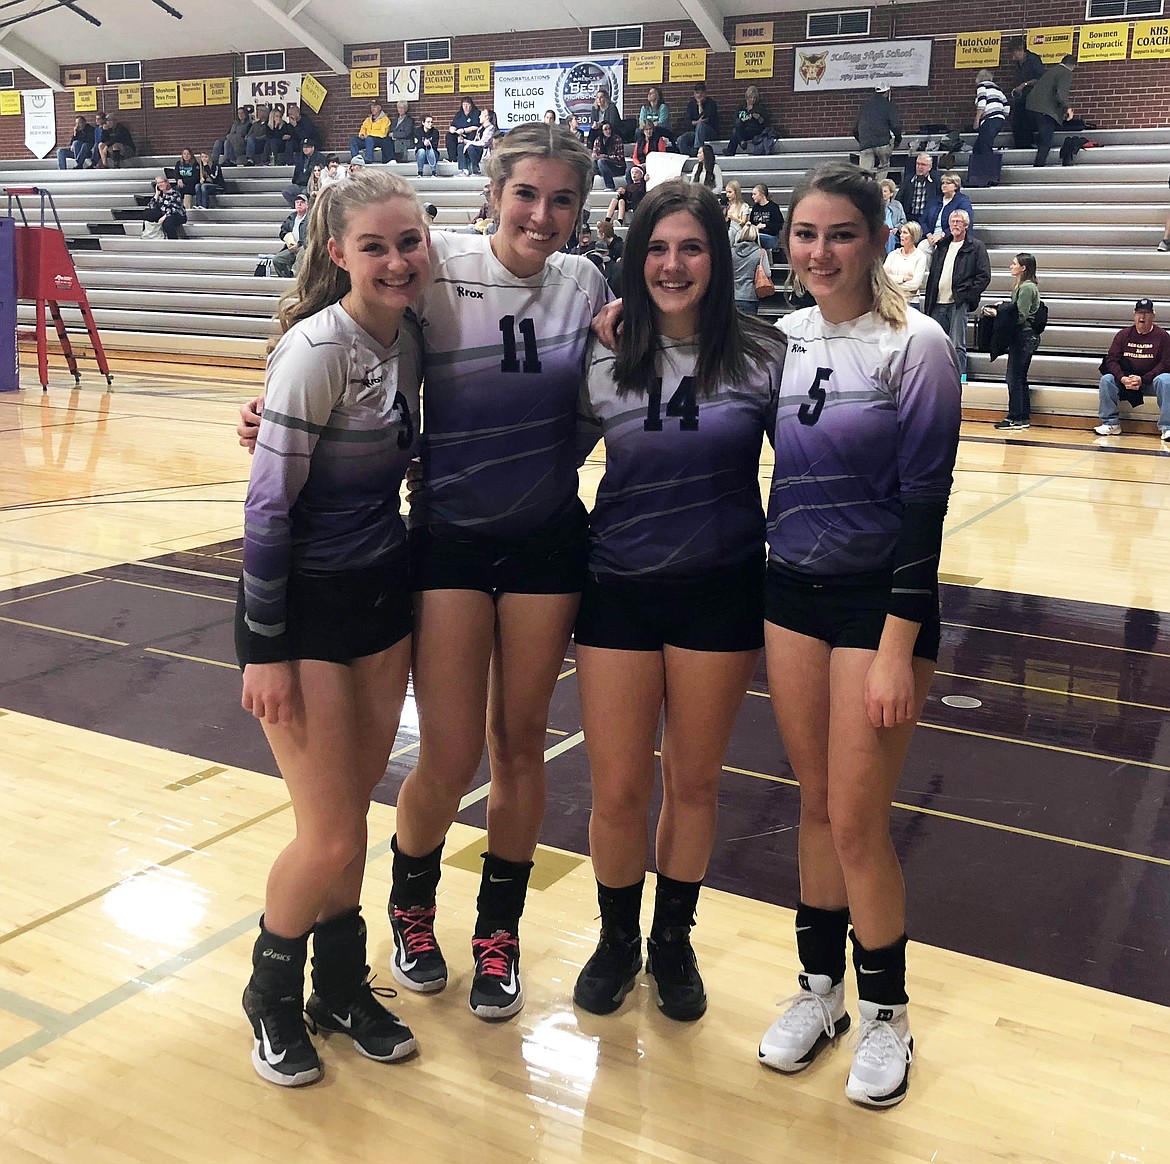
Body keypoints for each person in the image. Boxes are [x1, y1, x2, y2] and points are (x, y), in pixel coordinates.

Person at [240, 123, 611, 1021]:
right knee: (447, 752)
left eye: (563, 198)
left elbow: (600, 405)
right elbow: (343, 331)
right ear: (493, 193)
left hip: (545, 541)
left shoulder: (588, 283)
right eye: (527, 193)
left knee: (521, 745)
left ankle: (498, 934)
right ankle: (410, 912)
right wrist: (268, 409)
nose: (543, 213)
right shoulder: (433, 265)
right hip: (443, 543)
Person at [756, 160, 961, 1110]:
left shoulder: (915, 347)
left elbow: (926, 508)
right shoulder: (781, 340)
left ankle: (887, 1015)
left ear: (878, 239)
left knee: (859, 818)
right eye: (805, 234)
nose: (820, 251)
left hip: (879, 606)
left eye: (840, 233)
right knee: (815, 806)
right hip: (790, 592)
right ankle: (819, 993)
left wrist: (894, 646)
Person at [571, 181, 785, 1022]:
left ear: (717, 259)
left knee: (692, 783)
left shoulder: (765, 356)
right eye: (657, 249)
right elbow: (543, 442)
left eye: (690, 247)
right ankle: (617, 939)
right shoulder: (603, 353)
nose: (672, 264)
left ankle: (673, 941)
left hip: (721, 592)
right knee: (618, 790)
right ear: (636, 260)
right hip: (618, 588)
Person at [238, 169, 426, 1087]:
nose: (395, 260)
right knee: (328, 836)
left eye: (408, 241)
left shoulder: (415, 338)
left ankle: (340, 987)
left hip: (382, 604)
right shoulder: (315, 350)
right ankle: (269, 997)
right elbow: (266, 511)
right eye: (375, 246)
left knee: (354, 817)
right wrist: (262, 648)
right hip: (304, 615)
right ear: (337, 253)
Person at [923, 208, 990, 379]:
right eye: (952, 221)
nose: (955, 224)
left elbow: (984, 276)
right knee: (936, 344)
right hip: (937, 303)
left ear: (966, 225)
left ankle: (959, 380)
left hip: (958, 302)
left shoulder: (976, 247)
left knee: (957, 344)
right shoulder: (942, 246)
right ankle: (938, 379)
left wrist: (967, 296)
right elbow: (933, 275)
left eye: (958, 221)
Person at [1094, 298, 1170, 442]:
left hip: (1150, 382)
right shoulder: (1123, 335)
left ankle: (1168, 427)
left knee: (1166, 380)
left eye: (1147, 313)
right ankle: (1111, 423)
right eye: (1139, 313)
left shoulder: (1163, 336)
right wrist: (1122, 378)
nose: (1142, 317)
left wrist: (1143, 379)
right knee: (1107, 380)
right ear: (1134, 315)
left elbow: (1166, 363)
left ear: (1153, 315)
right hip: (1126, 380)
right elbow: (1111, 360)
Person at [983, 252, 1042, 430]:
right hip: (1025, 336)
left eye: (1014, 263)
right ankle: (1022, 416)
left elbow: (1021, 315)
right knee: (1020, 378)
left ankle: (1015, 417)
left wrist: (998, 313)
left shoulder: (1026, 288)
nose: (1011, 266)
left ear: (1023, 268)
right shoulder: (1023, 286)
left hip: (1024, 336)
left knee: (1014, 378)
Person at [1027, 55, 1076, 168]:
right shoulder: (1066, 72)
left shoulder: (1052, 71)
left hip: (1032, 107)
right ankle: (1038, 168)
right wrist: (1067, 108)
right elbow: (1061, 94)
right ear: (1073, 65)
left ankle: (1036, 143)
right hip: (1046, 110)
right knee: (1046, 141)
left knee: (1042, 135)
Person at [853, 85, 901, 174]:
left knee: (864, 173)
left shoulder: (864, 106)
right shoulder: (888, 105)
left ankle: (865, 187)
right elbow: (895, 126)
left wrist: (862, 141)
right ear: (887, 92)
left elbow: (855, 129)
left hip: (866, 144)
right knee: (883, 168)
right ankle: (880, 187)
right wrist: (898, 140)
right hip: (882, 143)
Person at [1008, 38, 1045, 149]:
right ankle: (1021, 144)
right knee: (1017, 120)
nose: (1013, 57)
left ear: (1020, 51)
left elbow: (1040, 78)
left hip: (1033, 95)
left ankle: (1029, 143)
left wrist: (1024, 84)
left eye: (1014, 53)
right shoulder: (1019, 64)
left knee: (1028, 119)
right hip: (1022, 96)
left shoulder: (1033, 60)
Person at [883, 222, 928, 305]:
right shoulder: (893, 255)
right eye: (901, 232)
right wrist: (902, 278)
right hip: (892, 301)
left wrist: (892, 286)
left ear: (913, 236)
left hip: (910, 302)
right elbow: (883, 278)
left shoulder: (920, 257)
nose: (901, 235)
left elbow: (915, 284)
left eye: (905, 233)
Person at [896, 154, 942, 235]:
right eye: (918, 164)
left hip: (927, 219)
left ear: (930, 167)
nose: (919, 167)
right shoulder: (908, 179)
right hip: (909, 217)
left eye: (923, 165)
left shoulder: (936, 180)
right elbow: (899, 199)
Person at [730, 221, 769, 316]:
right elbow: (767, 273)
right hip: (750, 297)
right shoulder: (760, 253)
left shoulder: (730, 252)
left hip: (732, 296)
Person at [924, 173, 973, 246]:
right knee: (922, 247)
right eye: (943, 183)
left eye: (948, 183)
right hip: (931, 237)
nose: (944, 185)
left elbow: (964, 222)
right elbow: (923, 219)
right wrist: (928, 235)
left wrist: (942, 235)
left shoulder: (962, 201)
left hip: (951, 237)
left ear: (956, 186)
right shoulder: (934, 200)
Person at [270, 193, 311, 278]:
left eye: (302, 202)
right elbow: (283, 231)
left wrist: (299, 244)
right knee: (278, 259)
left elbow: (310, 236)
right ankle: (285, 278)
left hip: (305, 247)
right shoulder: (292, 217)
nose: (299, 204)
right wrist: (288, 239)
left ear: (307, 205)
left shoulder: (310, 218)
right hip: (291, 247)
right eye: (297, 202)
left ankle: (295, 276)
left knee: (302, 252)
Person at [677, 82, 720, 157]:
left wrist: (700, 104)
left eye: (701, 93)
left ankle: (696, 150)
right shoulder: (691, 104)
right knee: (680, 139)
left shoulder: (711, 103)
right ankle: (688, 156)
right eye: (697, 93)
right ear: (694, 94)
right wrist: (697, 122)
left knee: (701, 125)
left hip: (710, 132)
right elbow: (687, 122)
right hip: (694, 133)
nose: (699, 95)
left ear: (705, 93)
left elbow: (704, 119)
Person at [724, 86, 769, 157]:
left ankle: (731, 150)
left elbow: (764, 123)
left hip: (753, 130)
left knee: (735, 132)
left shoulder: (759, 107)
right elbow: (735, 119)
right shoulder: (742, 106)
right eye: (751, 97)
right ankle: (741, 141)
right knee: (737, 124)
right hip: (742, 128)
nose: (753, 100)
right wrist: (745, 119)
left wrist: (758, 117)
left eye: (754, 98)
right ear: (747, 97)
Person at [973, 70, 1009, 155]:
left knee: (985, 146)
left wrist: (977, 119)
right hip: (999, 119)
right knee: (978, 147)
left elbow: (982, 102)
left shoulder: (981, 86)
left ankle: (988, 167)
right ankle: (979, 166)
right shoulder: (998, 89)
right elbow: (1007, 107)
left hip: (989, 119)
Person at [142, 174, 186, 239]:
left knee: (167, 222)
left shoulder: (175, 193)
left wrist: (164, 217)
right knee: (147, 213)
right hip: (163, 214)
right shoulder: (160, 195)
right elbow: (151, 206)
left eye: (162, 182)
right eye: (158, 183)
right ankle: (146, 236)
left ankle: (173, 241)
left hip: (177, 215)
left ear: (166, 183)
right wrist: (156, 195)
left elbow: (173, 209)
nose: (160, 184)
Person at [283, 139, 324, 207]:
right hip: (299, 184)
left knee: (304, 193)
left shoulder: (319, 158)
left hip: (311, 185)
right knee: (286, 191)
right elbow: (296, 172)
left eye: (307, 147)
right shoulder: (300, 158)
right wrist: (295, 181)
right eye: (304, 147)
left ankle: (306, 208)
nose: (305, 149)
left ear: (313, 147)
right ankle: (298, 207)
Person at [592, 121, 626, 191]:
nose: (608, 131)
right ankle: (588, 188)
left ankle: (610, 186)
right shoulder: (598, 140)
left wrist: (605, 156)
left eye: (609, 129)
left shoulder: (617, 139)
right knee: (592, 163)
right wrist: (595, 155)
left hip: (617, 167)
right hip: (602, 167)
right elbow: (596, 153)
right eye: (605, 129)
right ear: (602, 131)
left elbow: (620, 158)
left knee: (601, 161)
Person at [749, 183, 784, 251]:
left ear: (762, 194)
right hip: (757, 234)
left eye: (755, 194)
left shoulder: (773, 207)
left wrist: (765, 225)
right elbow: (752, 222)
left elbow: (779, 224)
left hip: (771, 237)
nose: (752, 196)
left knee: (755, 239)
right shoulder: (755, 207)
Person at [463, 109, 498, 176]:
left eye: (481, 115)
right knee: (461, 146)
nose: (479, 117)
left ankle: (476, 170)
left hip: (485, 151)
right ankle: (464, 169)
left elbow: (484, 143)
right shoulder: (480, 128)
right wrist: (465, 141)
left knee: (471, 147)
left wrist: (468, 142)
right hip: (479, 149)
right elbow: (476, 141)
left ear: (487, 117)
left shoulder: (491, 128)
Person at [446, 96, 480, 164]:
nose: (466, 107)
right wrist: (452, 129)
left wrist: (464, 130)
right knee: (449, 136)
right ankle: (453, 158)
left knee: (472, 134)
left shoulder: (476, 113)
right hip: (459, 134)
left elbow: (477, 127)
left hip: (470, 134)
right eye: (464, 105)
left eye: (468, 105)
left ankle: (469, 157)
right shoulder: (459, 114)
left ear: (471, 105)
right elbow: (453, 125)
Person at [880, 179, 906, 254]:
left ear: (891, 193)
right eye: (881, 191)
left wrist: (897, 228)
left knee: (890, 236)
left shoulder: (897, 205)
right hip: (880, 231)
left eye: (885, 191)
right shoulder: (876, 205)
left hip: (894, 233)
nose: (882, 193)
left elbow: (903, 221)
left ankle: (889, 259)